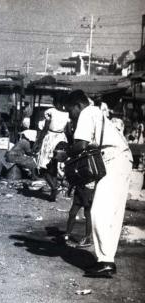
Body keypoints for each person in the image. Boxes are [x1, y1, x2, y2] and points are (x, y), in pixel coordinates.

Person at [64, 90, 132, 278]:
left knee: (99, 211)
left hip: (114, 160)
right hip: (122, 159)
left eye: (70, 111)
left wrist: (66, 152)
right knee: (112, 213)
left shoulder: (86, 113)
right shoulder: (96, 112)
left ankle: (106, 262)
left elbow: (81, 145)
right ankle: (106, 260)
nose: (70, 116)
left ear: (78, 106)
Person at [35, 99, 70, 201]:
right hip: (61, 139)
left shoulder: (51, 111)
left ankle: (54, 188)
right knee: (54, 166)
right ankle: (54, 189)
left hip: (50, 139)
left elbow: (45, 128)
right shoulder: (67, 115)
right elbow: (68, 131)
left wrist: (38, 141)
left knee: (44, 166)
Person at [63, 183, 94, 248]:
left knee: (88, 214)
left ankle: (87, 237)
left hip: (88, 192)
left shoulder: (95, 173)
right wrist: (70, 189)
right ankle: (68, 234)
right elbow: (75, 179)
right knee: (72, 213)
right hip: (79, 191)